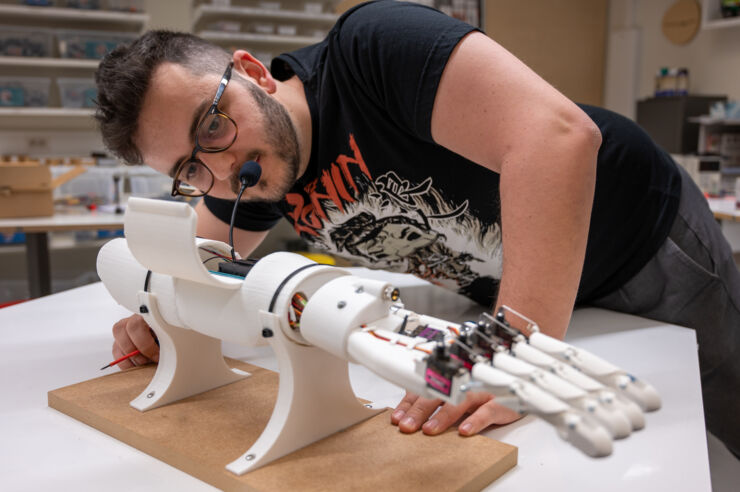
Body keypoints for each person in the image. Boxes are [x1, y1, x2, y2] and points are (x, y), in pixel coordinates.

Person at [95, 0, 740, 457]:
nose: (222, 164)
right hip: (532, 291)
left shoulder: (370, 47)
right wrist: (164, 314)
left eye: (212, 122)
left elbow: (558, 138)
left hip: (640, 240)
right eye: (189, 166)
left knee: (725, 392)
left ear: (254, 74)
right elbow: (202, 264)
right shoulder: (258, 173)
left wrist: (513, 354)